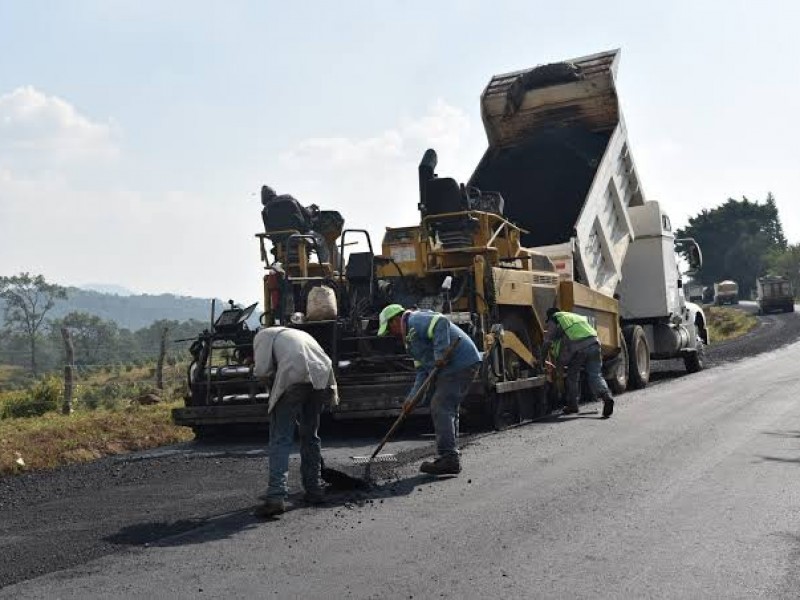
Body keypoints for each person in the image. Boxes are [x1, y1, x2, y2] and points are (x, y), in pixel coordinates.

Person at [377, 304, 482, 475]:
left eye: (389, 328)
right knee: (446, 407)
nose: (391, 334)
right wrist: (411, 400)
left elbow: (441, 322)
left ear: (396, 320)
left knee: (440, 406)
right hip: (458, 366)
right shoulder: (410, 343)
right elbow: (422, 372)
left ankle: (448, 458)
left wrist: (440, 354)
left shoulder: (415, 320)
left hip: (460, 362)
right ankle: (450, 456)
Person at [252, 326, 338, 517]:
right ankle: (314, 490)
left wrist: (272, 391)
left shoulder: (262, 336)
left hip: (294, 375)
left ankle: (275, 497)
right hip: (322, 375)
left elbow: (262, 371)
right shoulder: (297, 334)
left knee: (281, 438)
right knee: (310, 435)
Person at [542, 307, 614, 418]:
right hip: (595, 343)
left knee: (572, 375)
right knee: (595, 375)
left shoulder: (555, 318)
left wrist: (541, 359)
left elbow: (547, 341)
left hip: (579, 348)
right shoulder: (574, 317)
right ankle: (606, 396)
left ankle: (573, 405)